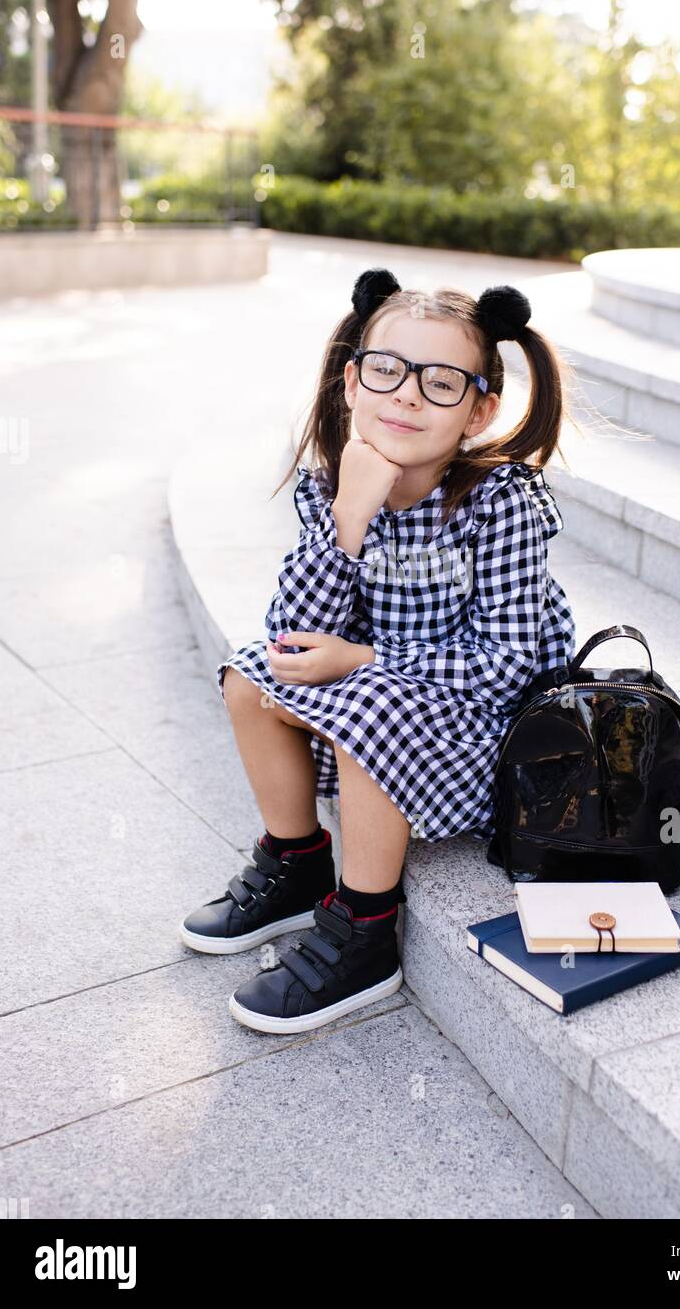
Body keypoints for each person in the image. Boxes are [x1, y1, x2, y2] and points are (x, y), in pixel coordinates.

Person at [179, 267, 577, 1035]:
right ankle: (295, 864)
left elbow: (508, 665)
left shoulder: (499, 504)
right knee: (250, 676)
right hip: (392, 701)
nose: (405, 396)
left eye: (440, 383)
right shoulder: (332, 486)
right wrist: (350, 514)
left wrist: (359, 662)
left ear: (479, 409)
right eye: (387, 371)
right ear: (351, 382)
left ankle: (365, 934)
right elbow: (294, 637)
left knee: (368, 702)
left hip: (486, 723)